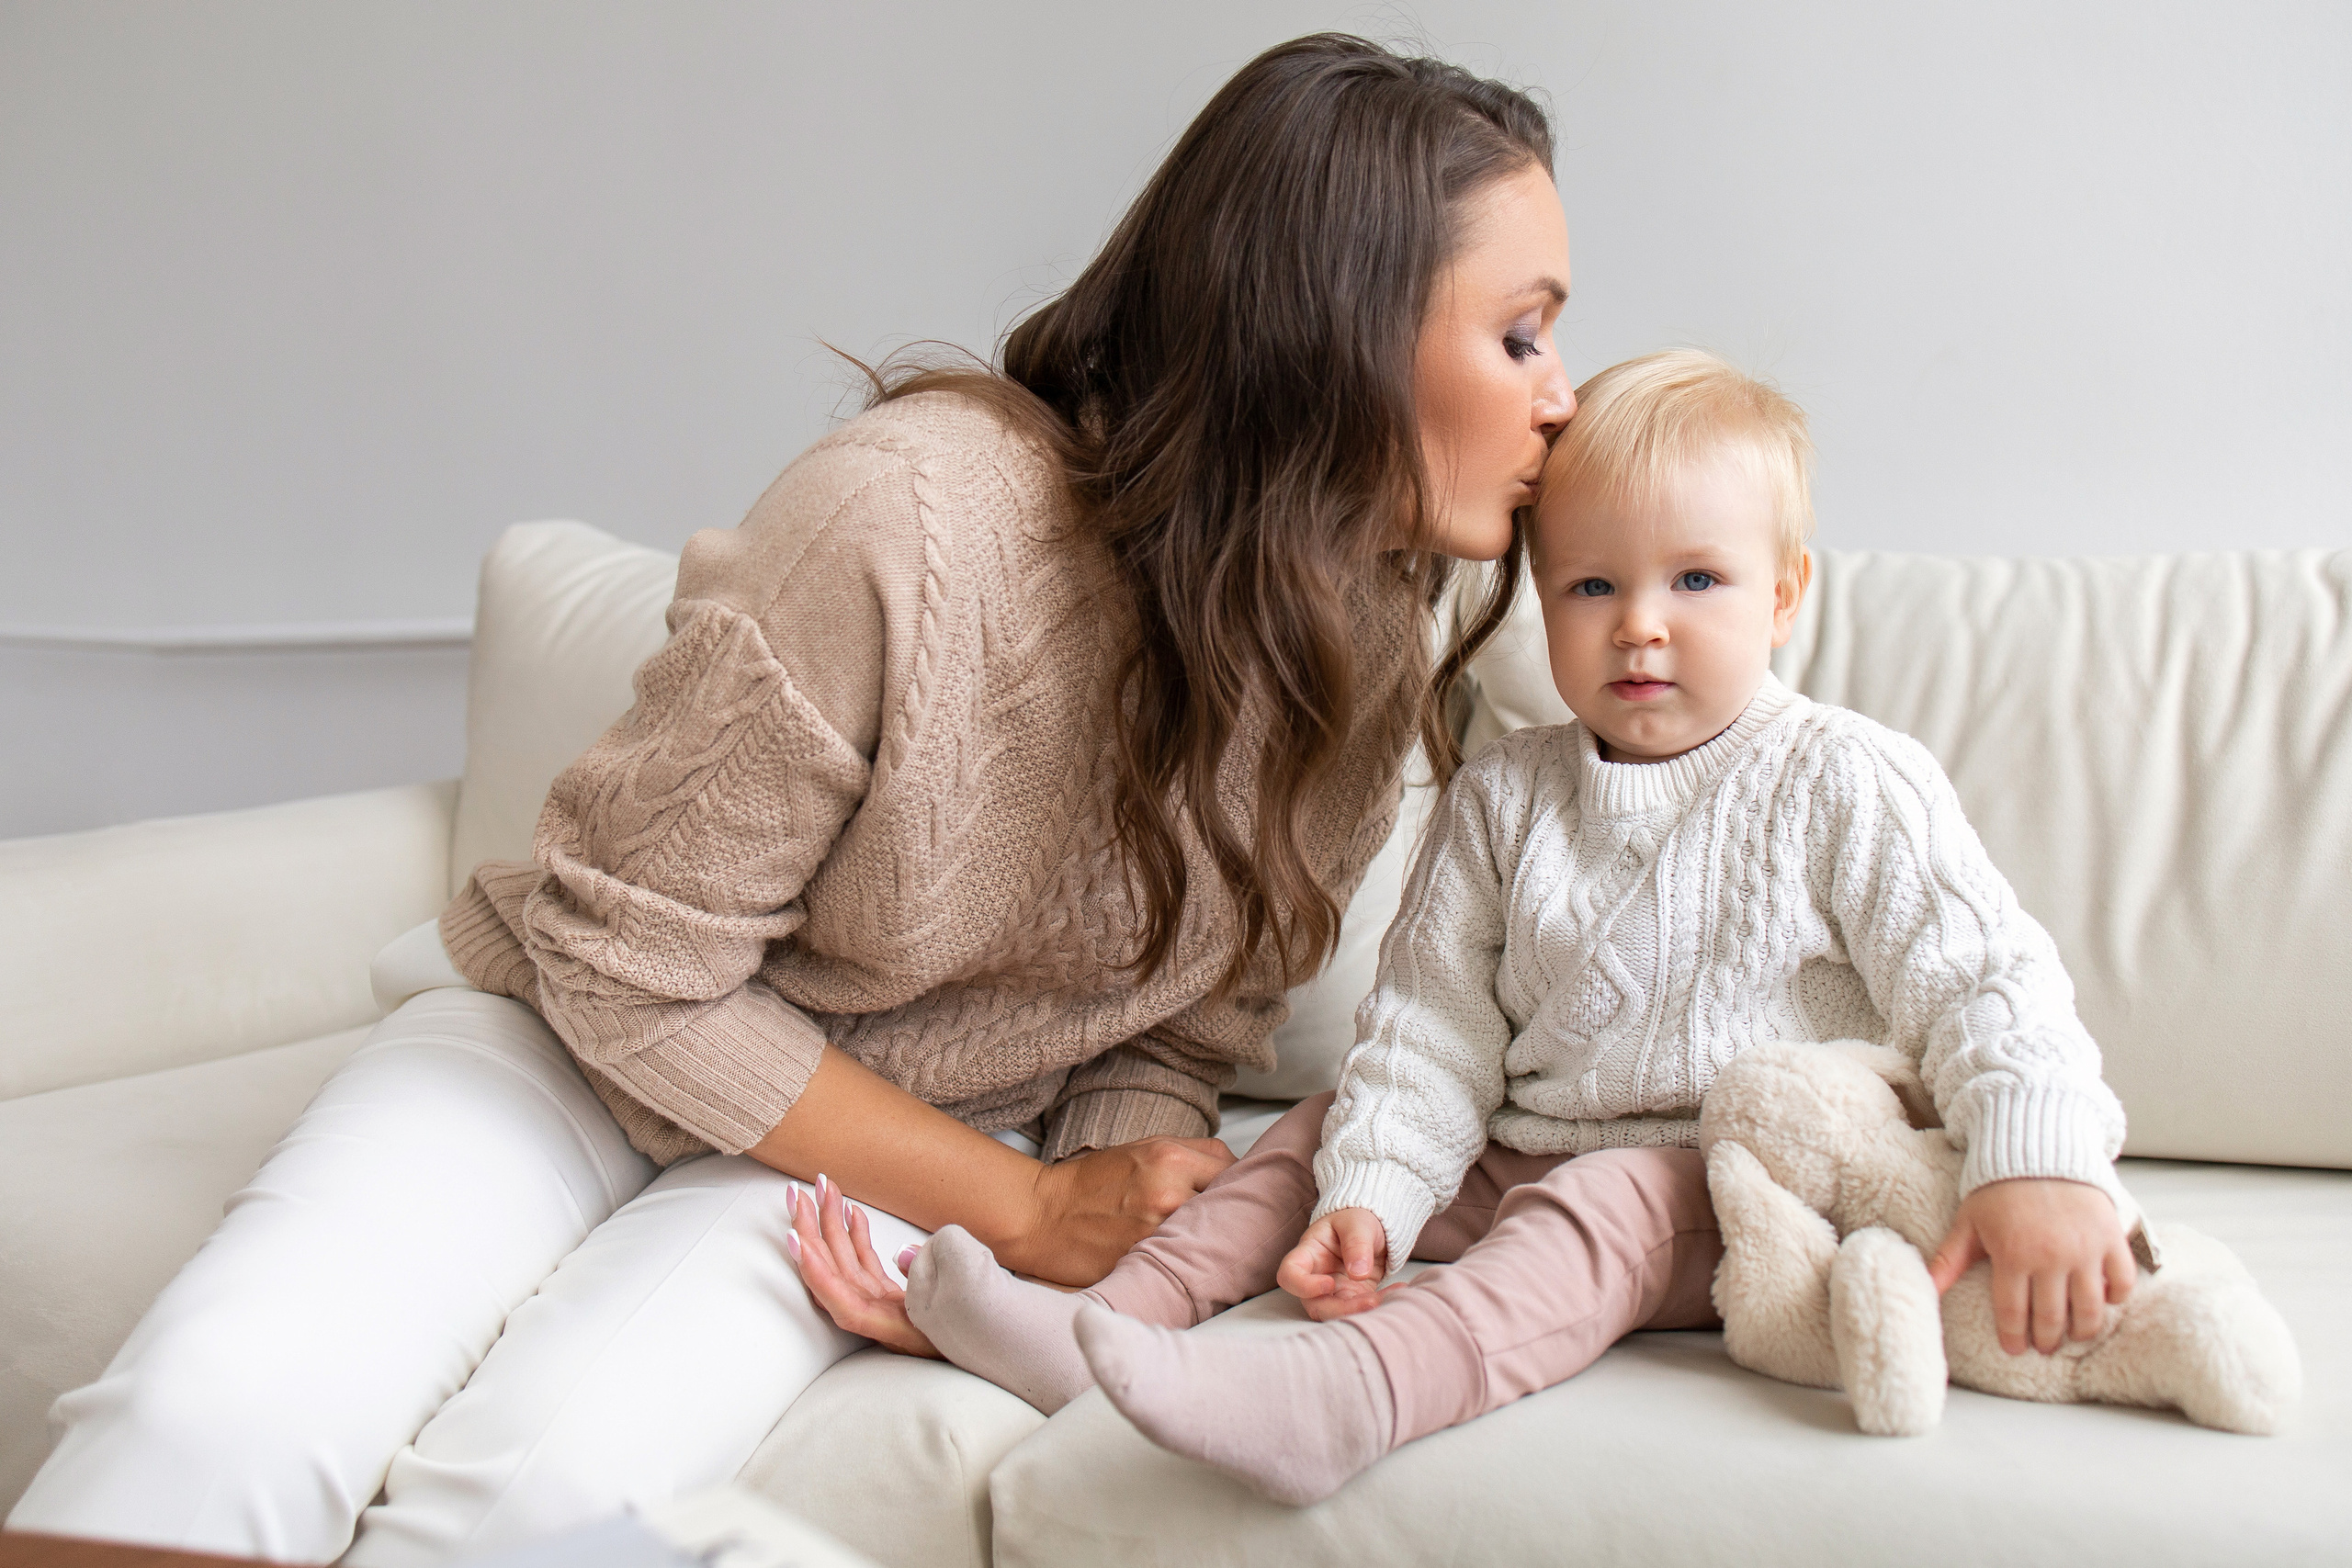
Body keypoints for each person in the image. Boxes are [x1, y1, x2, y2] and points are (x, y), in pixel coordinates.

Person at [8, 34, 1583, 1564]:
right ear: (1337, 328)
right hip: (578, 1041)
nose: (1561, 397)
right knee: (218, 1425)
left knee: (539, 1507)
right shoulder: (910, 521)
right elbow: (628, 967)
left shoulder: (1366, 633)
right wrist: (1026, 1209)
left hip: (884, 1140)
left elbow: (1174, 1026)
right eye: (1520, 334)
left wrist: (1112, 1235)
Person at [790, 349, 2144, 1506]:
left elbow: (1986, 982)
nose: (1643, 631)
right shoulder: (1504, 795)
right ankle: (1100, 1321)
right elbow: (1433, 1031)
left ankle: (1350, 1400)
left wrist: (2045, 1165)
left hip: (1729, 1180)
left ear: (1785, 594)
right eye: (1593, 589)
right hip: (1529, 1143)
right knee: (1320, 1121)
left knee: (1605, 1203)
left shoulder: (1846, 778)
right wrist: (1374, 1197)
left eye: (1698, 583)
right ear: (1541, 599)